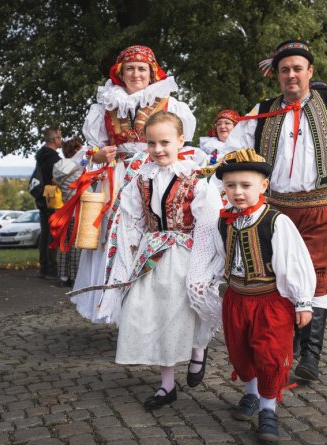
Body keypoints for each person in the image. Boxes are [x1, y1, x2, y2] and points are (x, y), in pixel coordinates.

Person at [224, 39, 327, 381]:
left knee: (318, 280)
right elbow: (233, 150)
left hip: (323, 208)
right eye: (284, 70)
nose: (291, 75)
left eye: (298, 69)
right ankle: (290, 340)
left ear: (310, 71)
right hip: (275, 211)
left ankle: (310, 356)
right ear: (277, 76)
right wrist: (245, 187)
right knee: (279, 279)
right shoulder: (262, 110)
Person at [73, 111, 222, 409]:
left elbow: (208, 224)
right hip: (151, 254)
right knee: (153, 313)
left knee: (187, 309)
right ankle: (167, 385)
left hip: (185, 252)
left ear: (181, 140)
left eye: (165, 142)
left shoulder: (196, 178)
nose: (158, 150)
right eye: (152, 143)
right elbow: (130, 220)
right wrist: (126, 261)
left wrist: (203, 266)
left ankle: (197, 348)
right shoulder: (141, 178)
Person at [62, 45, 196, 323]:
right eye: (130, 68)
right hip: (119, 180)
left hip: (156, 177)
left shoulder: (170, 105)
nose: (136, 74)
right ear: (120, 73)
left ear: (152, 73)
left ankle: (155, 310)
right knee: (120, 240)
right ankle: (120, 311)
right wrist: (97, 156)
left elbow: (184, 148)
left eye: (142, 68)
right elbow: (89, 150)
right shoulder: (105, 106)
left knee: (152, 236)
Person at [210, 148, 315, 442]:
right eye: (231, 186)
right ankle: (251, 394)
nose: (238, 192)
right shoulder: (224, 221)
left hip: (270, 301)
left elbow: (294, 261)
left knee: (269, 355)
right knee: (240, 351)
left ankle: (268, 409)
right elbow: (220, 257)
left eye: (246, 185)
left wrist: (303, 301)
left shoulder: (275, 221)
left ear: (263, 185)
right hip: (236, 298)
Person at [53, 137, 84, 287]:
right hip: (77, 211)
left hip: (62, 210)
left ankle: (62, 276)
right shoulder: (78, 166)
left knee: (63, 245)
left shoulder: (57, 165)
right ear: (77, 150)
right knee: (76, 246)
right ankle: (74, 276)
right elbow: (85, 188)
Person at [35, 127, 62, 280]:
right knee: (52, 235)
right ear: (54, 140)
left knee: (45, 233)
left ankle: (44, 267)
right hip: (52, 198)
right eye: (60, 138)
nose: (61, 141)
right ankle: (51, 269)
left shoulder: (40, 156)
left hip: (41, 198)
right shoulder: (54, 159)